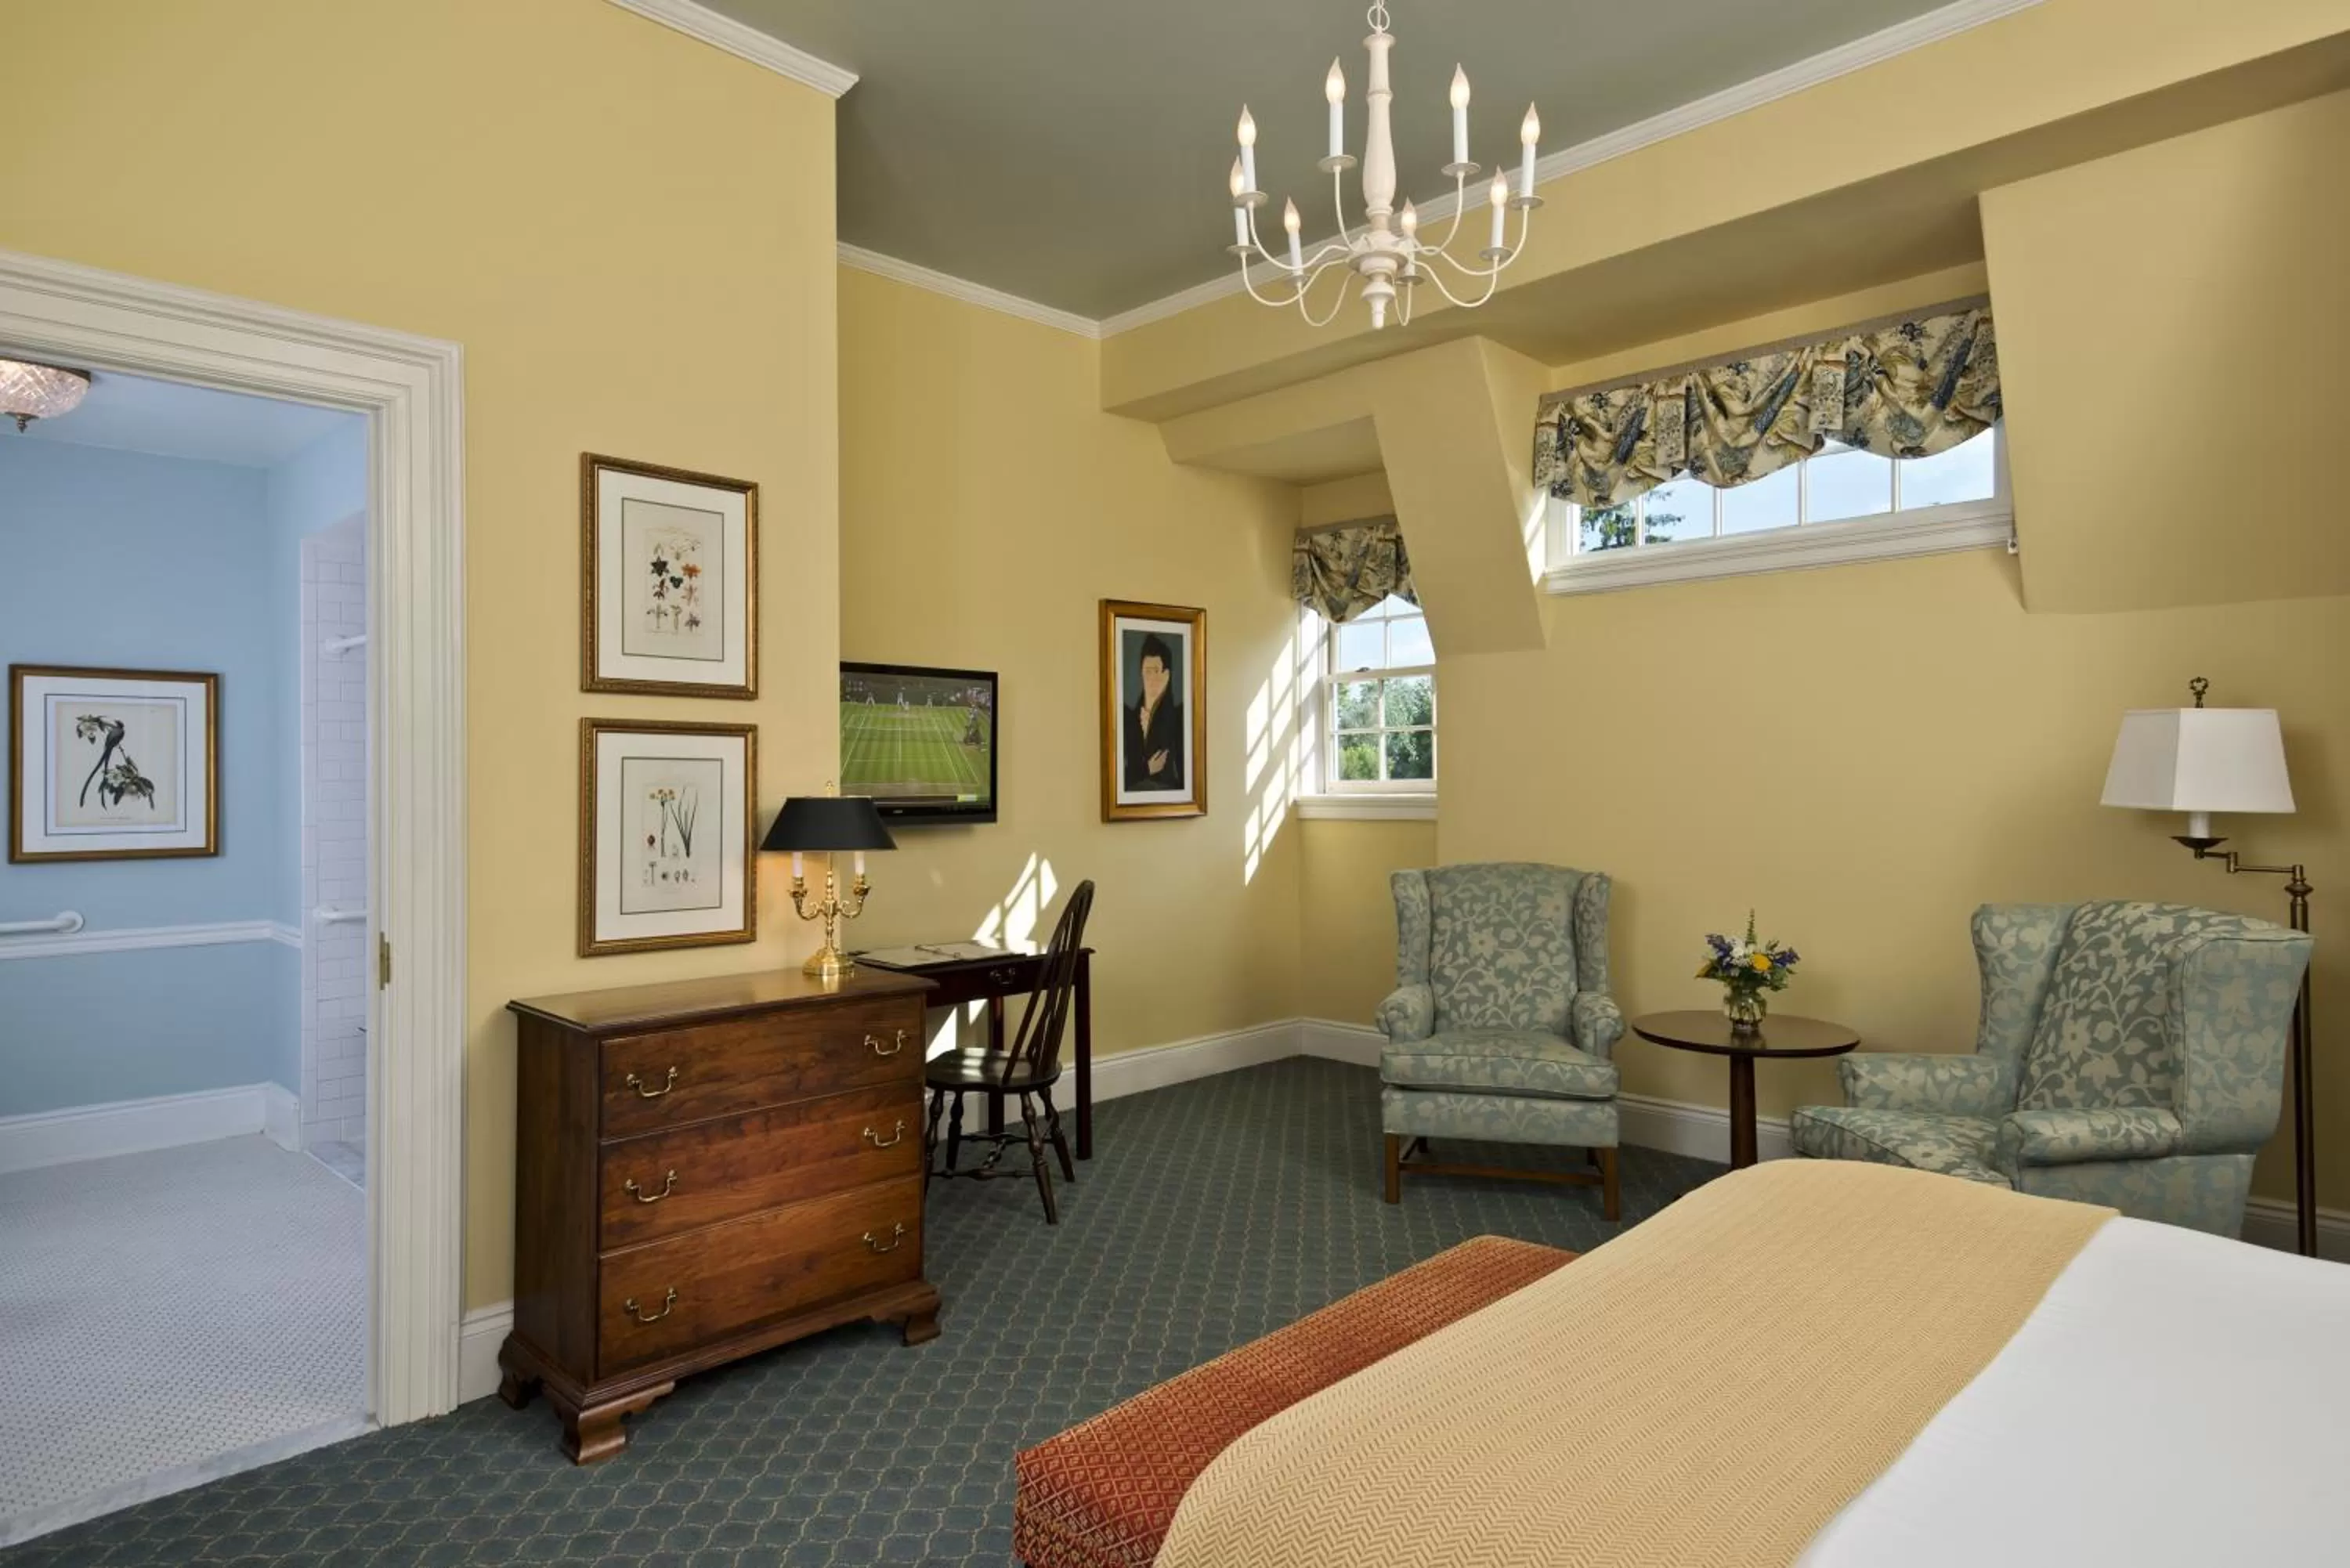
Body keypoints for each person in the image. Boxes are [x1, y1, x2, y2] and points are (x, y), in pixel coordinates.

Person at [1123, 632, 1185, 793]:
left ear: (1166, 675)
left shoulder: (1179, 717)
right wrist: (1147, 769)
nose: (1151, 679)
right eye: (1147, 672)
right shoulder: (1128, 717)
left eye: (1156, 671)